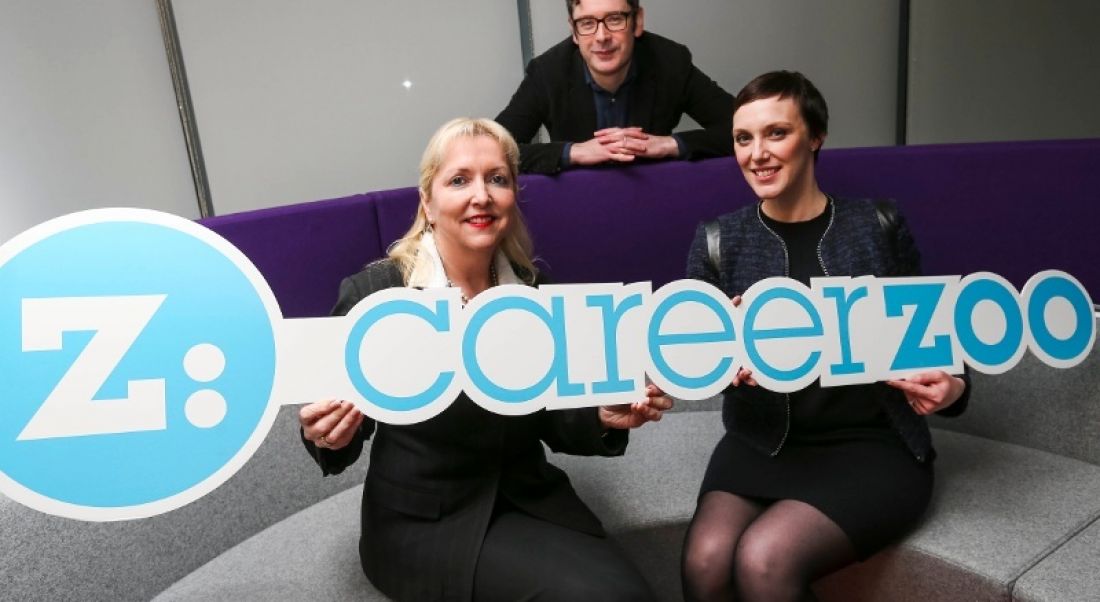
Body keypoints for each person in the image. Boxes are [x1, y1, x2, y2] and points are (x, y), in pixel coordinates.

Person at [298, 117, 670, 602]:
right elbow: (338, 432)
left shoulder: (532, 292)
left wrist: (601, 416)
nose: (482, 195)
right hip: (421, 524)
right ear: (427, 203)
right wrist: (326, 434)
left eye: (497, 179)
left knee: (625, 593)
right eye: (459, 180)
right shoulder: (378, 294)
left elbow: (551, 414)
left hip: (528, 500)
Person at [679, 71, 971, 601]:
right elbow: (695, 362)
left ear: (815, 137)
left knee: (764, 560)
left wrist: (953, 389)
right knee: (704, 561)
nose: (757, 153)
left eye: (776, 133)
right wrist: (722, 359)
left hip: (872, 445)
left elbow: (940, 341)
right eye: (743, 138)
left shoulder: (878, 223)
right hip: (761, 442)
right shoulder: (718, 239)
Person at [495, 0, 733, 175]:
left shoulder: (671, 62)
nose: (601, 36)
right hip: (579, 202)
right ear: (574, 31)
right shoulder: (547, 72)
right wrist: (573, 152)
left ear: (637, 21)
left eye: (615, 19)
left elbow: (745, 130)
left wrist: (668, 145)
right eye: (587, 23)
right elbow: (490, 149)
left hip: (654, 198)